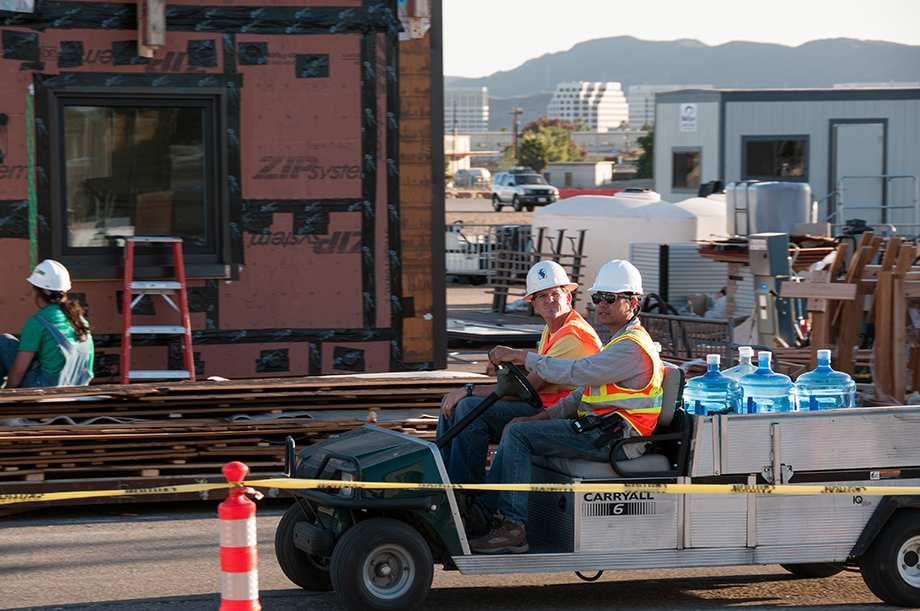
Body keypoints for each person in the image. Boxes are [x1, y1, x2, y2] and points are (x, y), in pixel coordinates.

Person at [469, 260, 663, 554]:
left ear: (632, 303)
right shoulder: (617, 342)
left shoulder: (631, 347)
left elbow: (577, 373)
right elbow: (580, 395)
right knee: (520, 428)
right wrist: (539, 417)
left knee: (518, 435)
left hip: (618, 439)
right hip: (599, 429)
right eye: (598, 297)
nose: (601, 304)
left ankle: (510, 527)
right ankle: (479, 510)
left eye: (611, 298)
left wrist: (522, 356)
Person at [436, 261, 601, 506]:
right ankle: (444, 486)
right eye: (542, 296)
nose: (549, 300)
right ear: (533, 304)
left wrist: (468, 389)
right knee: (452, 408)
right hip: (546, 407)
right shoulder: (554, 329)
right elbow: (537, 367)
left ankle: (466, 500)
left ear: (568, 296)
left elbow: (527, 390)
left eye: (555, 293)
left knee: (468, 407)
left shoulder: (573, 337)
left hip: (561, 415)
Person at [0, 260, 94, 388]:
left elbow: (18, 372)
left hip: (46, 388)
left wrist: (6, 399)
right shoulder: (79, 320)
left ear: (36, 290)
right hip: (78, 386)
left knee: (3, 342)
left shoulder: (37, 322)